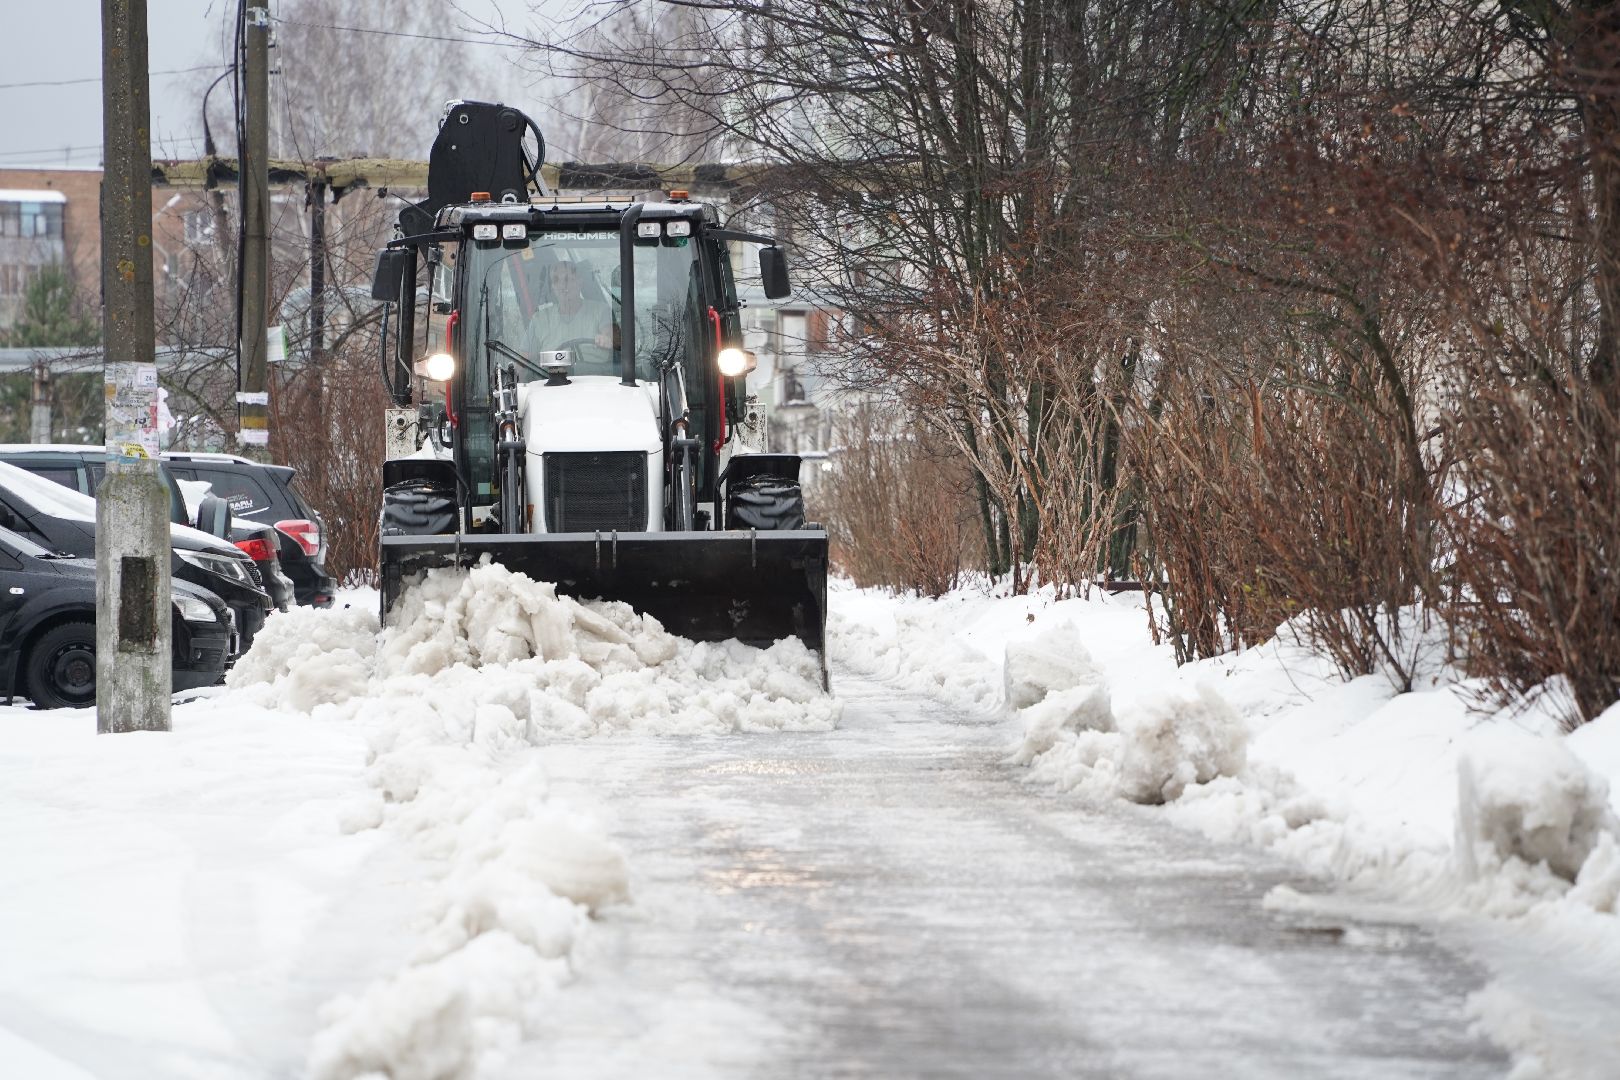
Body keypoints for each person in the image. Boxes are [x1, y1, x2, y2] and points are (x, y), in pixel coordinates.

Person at [525, 259, 613, 358]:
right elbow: (524, 362)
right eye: (556, 280)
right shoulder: (540, 319)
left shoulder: (601, 311)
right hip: (548, 373)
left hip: (594, 372)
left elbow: (610, 336)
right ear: (553, 286)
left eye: (567, 279)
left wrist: (607, 339)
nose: (562, 285)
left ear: (580, 282)